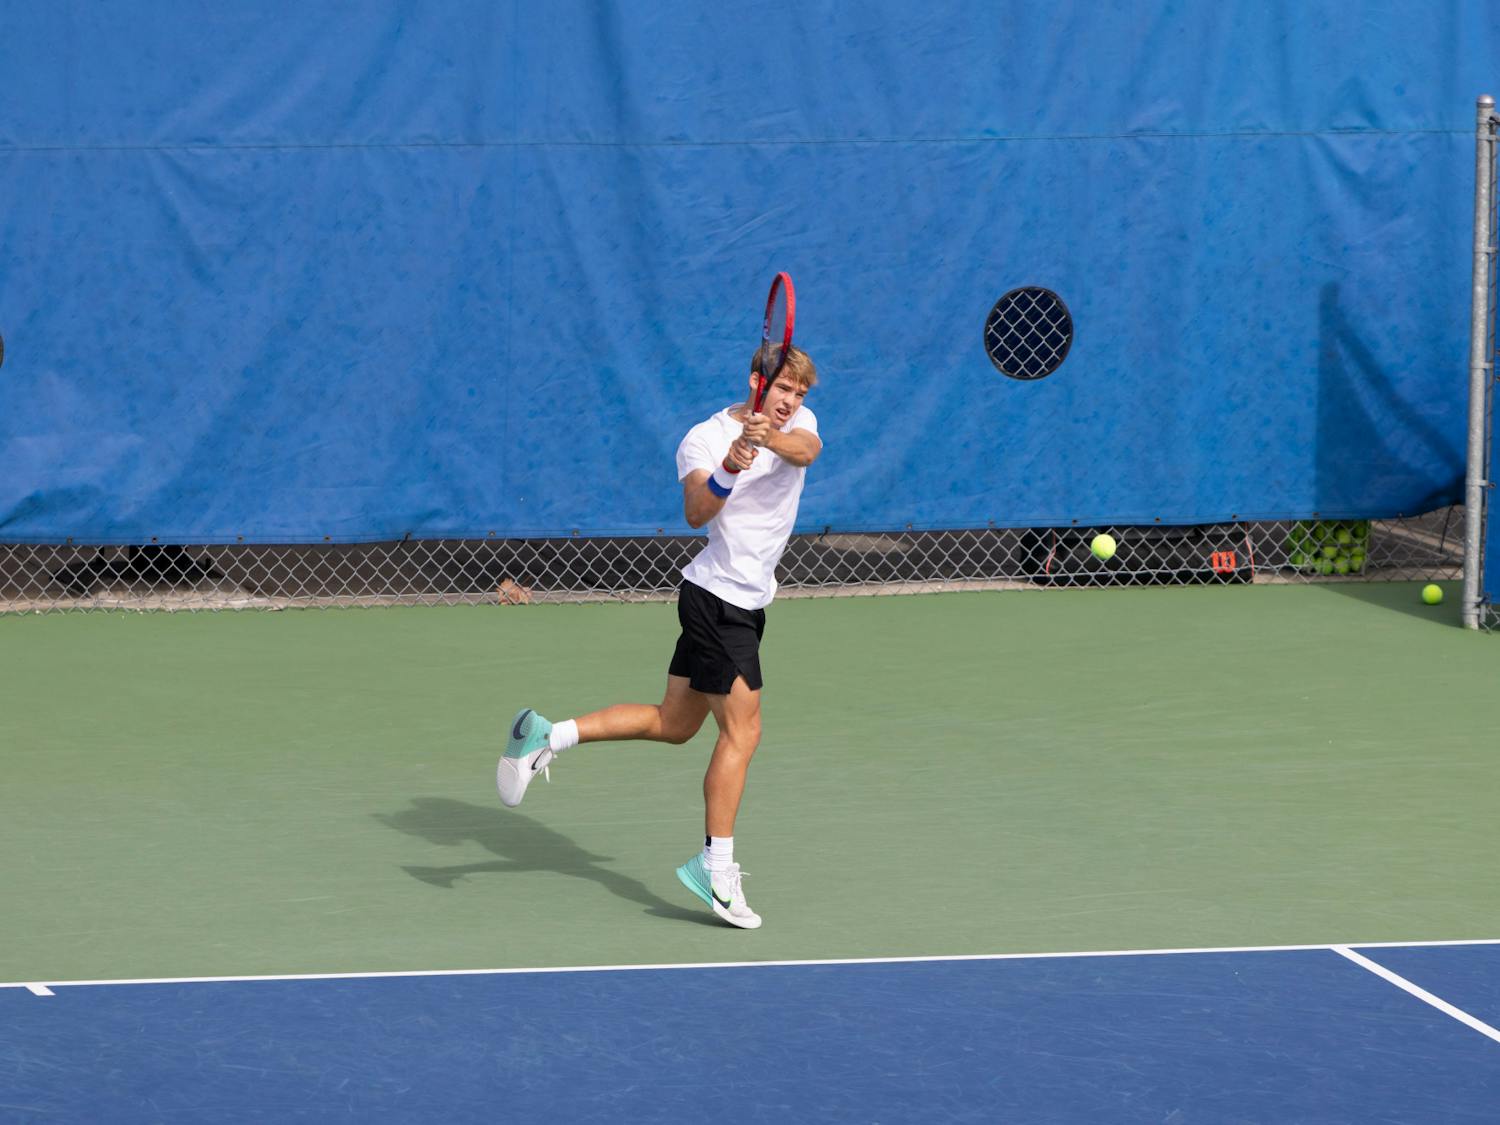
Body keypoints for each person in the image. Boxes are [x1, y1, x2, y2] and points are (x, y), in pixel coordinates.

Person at [496, 345, 822, 929]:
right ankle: (715, 868)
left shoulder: (794, 426)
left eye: (800, 394)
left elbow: (808, 451)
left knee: (676, 724)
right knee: (743, 732)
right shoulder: (701, 438)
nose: (792, 402)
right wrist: (731, 462)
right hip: (717, 600)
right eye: (783, 391)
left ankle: (547, 735)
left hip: (744, 602)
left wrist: (767, 437)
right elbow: (697, 511)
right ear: (756, 382)